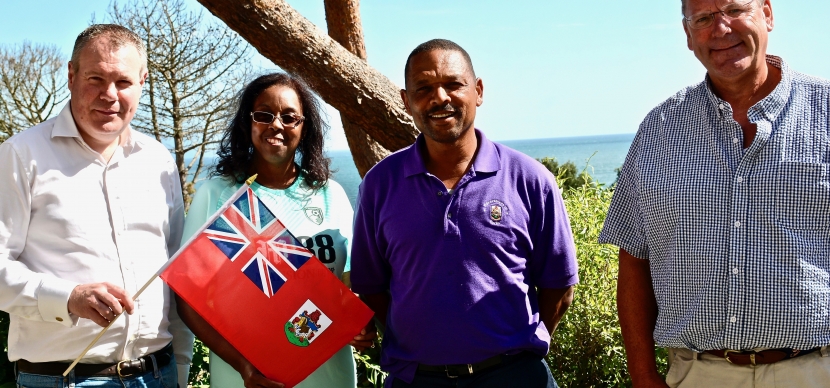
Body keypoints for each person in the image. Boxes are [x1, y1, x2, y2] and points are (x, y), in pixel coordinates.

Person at [599, 0, 830, 387]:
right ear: (688, 36)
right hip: (699, 374)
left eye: (736, 10)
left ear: (767, 14)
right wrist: (643, 377)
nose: (721, 29)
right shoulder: (659, 129)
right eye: (703, 18)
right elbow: (634, 258)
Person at [350, 39, 579, 387]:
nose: (439, 97)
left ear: (478, 91)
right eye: (424, 88)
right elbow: (372, 288)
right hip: (416, 380)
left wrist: (515, 349)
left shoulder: (530, 180)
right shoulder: (379, 185)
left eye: (453, 84)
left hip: (516, 377)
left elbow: (559, 285)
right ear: (406, 101)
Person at [0, 24, 193, 388]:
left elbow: (176, 273)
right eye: (95, 78)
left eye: (122, 82)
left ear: (142, 82)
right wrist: (68, 299)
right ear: (71, 75)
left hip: (159, 375)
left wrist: (180, 370)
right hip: (63, 381)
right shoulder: (20, 157)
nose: (109, 95)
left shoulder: (159, 161)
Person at [179, 72, 361, 388]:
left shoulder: (330, 193)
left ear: (304, 129)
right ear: (248, 123)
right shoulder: (217, 195)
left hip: (329, 374)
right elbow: (187, 298)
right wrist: (243, 365)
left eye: (290, 118)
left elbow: (350, 282)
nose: (276, 125)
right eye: (264, 115)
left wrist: (360, 324)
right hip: (246, 378)